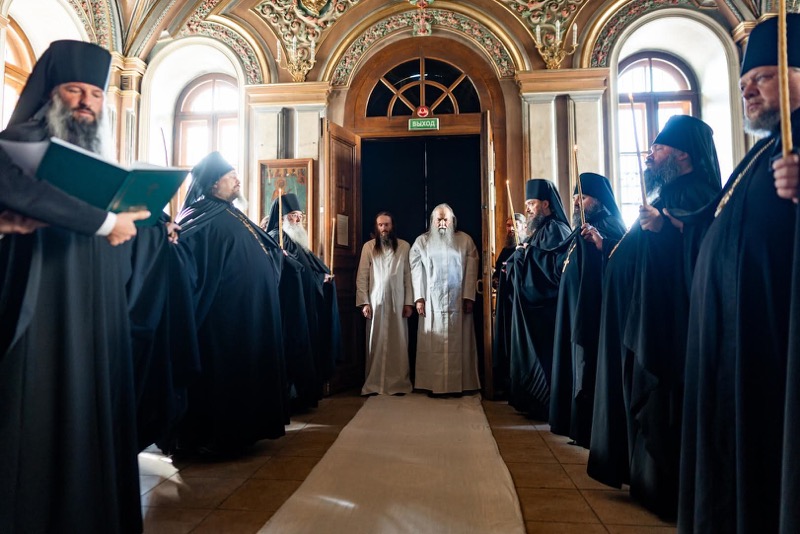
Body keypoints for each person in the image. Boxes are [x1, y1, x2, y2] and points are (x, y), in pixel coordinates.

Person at [0, 40, 149, 534]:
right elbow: (24, 195)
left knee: (90, 411)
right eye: (74, 90)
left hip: (95, 312)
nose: (86, 101)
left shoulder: (98, 160)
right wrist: (105, 224)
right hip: (40, 305)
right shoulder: (14, 145)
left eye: (96, 93)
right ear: (51, 93)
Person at [679, 15, 800, 533]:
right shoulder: (764, 150)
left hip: (775, 345)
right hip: (738, 345)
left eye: (763, 77)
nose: (748, 90)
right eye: (745, 82)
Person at [173, 152, 288, 455]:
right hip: (222, 319)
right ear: (213, 183)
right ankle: (216, 436)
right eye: (231, 176)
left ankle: (247, 430)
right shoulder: (198, 216)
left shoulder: (231, 212)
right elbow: (189, 266)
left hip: (249, 313)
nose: (238, 180)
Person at [548, 173, 627, 448]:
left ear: (600, 200)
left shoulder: (610, 225)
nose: (576, 203)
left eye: (583, 197)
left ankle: (588, 430)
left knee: (590, 368)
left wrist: (601, 244)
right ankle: (576, 426)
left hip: (596, 314)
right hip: (575, 310)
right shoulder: (581, 229)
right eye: (575, 198)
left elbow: (621, 264)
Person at [266, 193, 343, 407]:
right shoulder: (276, 237)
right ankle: (292, 398)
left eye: (300, 216)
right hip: (289, 306)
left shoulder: (296, 240)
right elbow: (287, 270)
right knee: (294, 349)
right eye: (293, 215)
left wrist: (323, 278)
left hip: (305, 303)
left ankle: (306, 395)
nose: (298, 220)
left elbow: (309, 268)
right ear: (282, 217)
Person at [505, 179, 571, 419]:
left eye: (531, 203)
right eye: (527, 204)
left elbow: (553, 271)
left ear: (545, 204)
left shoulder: (557, 230)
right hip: (533, 311)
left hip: (546, 311)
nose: (528, 209)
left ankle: (546, 406)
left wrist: (524, 257)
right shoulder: (538, 231)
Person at [410, 203, 480, 396]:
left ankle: (460, 386)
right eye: (438, 220)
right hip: (431, 302)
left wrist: (468, 297)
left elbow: (471, 270)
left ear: (452, 221)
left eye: (445, 219)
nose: (442, 223)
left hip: (458, 302)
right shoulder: (422, 242)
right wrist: (419, 298)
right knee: (433, 345)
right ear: (432, 221)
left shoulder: (465, 241)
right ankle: (432, 385)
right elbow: (416, 271)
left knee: (459, 345)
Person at [356, 212, 414, 395]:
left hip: (398, 302)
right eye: (380, 225)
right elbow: (362, 276)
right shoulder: (368, 247)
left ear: (392, 226)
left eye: (387, 225)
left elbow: (408, 276)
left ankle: (399, 384)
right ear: (376, 227)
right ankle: (375, 384)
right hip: (376, 302)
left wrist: (409, 303)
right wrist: (364, 303)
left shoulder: (404, 246)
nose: (384, 229)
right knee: (376, 342)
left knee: (399, 343)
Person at [492, 212, 528, 396]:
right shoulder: (506, 250)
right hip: (505, 304)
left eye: (515, 224)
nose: (511, 228)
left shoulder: (526, 247)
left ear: (524, 227)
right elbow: (497, 273)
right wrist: (496, 279)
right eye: (508, 225)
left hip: (519, 303)